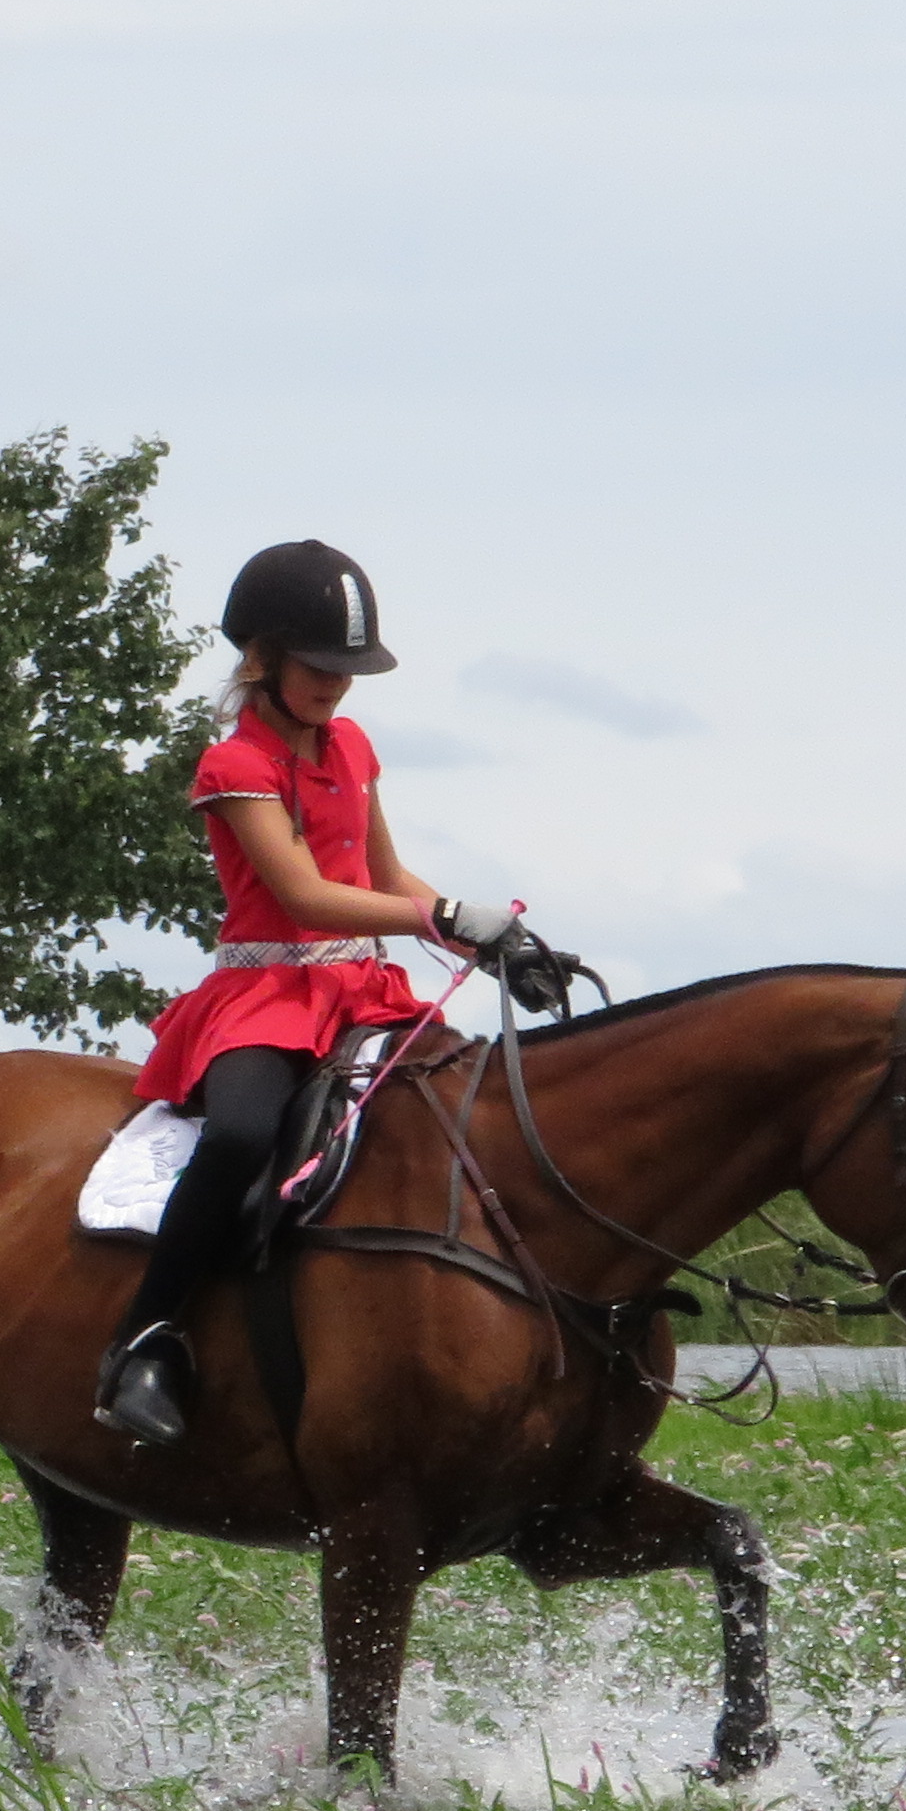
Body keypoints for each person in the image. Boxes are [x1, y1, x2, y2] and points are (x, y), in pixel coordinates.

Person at [92, 539, 580, 1447]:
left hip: (366, 991)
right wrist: (449, 913)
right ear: (261, 658)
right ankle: (146, 1338)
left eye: (350, 672)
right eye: (320, 668)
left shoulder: (352, 745)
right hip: (268, 993)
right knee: (240, 1134)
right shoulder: (234, 767)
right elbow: (306, 896)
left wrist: (489, 939)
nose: (337, 687)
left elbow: (387, 873)